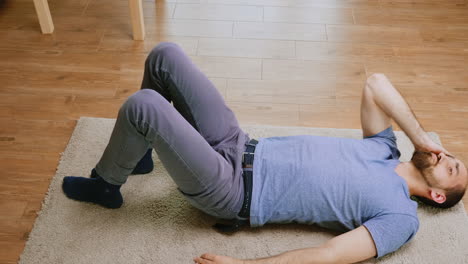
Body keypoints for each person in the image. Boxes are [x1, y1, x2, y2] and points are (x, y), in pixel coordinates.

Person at [62, 42, 468, 264]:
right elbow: (376, 83)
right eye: (449, 153)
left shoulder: (400, 217)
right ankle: (141, 154)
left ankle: (107, 186)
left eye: (451, 167)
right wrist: (420, 138)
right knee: (164, 57)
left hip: (234, 191)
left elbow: (329, 256)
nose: (443, 156)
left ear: (437, 195)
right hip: (240, 143)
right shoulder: (384, 147)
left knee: (144, 105)